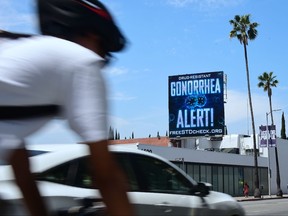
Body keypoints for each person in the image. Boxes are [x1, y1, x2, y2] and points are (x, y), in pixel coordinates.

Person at [0, 0, 134, 216]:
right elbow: (106, 176)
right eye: (104, 54)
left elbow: (23, 175)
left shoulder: (20, 54)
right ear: (93, 35)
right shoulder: (80, 61)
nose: (101, 62)